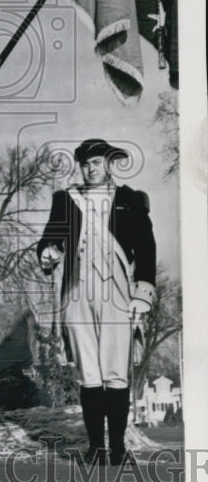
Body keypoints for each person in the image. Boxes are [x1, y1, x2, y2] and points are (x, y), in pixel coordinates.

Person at [37, 138, 157, 465]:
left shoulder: (130, 200)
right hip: (77, 291)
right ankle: (96, 448)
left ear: (109, 163)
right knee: (89, 373)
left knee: (116, 372)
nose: (91, 169)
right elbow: (51, 236)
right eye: (86, 163)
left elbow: (146, 248)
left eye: (97, 162)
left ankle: (117, 448)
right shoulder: (65, 200)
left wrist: (143, 291)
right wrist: (48, 252)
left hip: (117, 293)